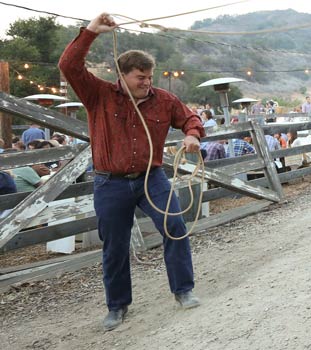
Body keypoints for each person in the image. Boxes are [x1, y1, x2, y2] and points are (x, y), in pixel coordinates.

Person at [59, 13, 206, 331]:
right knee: (115, 245)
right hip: (109, 182)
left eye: (149, 77)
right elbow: (69, 67)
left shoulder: (164, 101)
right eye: (141, 77)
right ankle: (117, 306)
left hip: (151, 178)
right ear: (121, 76)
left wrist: (193, 134)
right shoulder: (97, 95)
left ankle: (184, 290)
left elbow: (190, 118)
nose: (147, 82)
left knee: (175, 227)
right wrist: (91, 32)